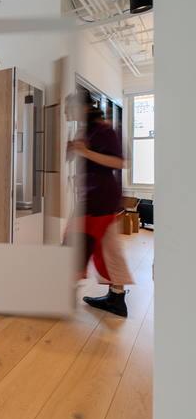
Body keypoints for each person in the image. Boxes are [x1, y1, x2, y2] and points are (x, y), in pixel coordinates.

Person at [66, 90, 133, 317]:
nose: (66, 111)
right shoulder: (86, 129)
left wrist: (85, 151)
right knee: (108, 246)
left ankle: (65, 291)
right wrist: (75, 151)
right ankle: (116, 297)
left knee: (74, 238)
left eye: (69, 106)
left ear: (82, 107)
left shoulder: (103, 129)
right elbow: (84, 156)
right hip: (94, 192)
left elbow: (118, 162)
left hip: (100, 195)